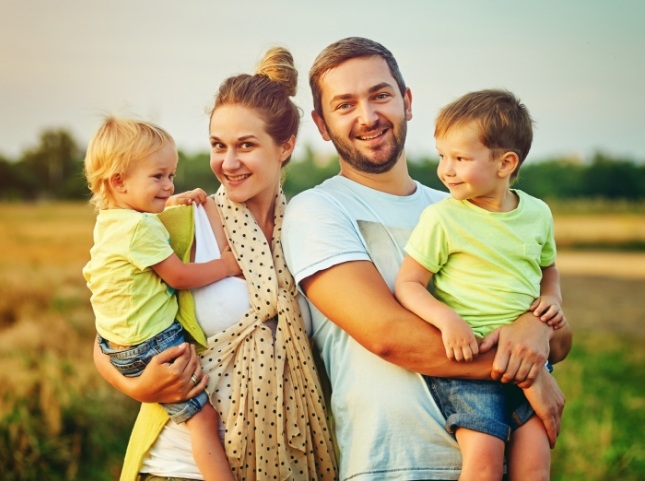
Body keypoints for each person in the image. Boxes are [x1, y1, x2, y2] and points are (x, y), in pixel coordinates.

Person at [282, 37, 572, 481]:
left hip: (502, 458)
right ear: (322, 125)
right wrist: (529, 371)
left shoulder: (465, 203)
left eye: (380, 95)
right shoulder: (317, 210)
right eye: (345, 105)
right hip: (394, 463)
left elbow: (561, 339)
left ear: (407, 101)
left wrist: (534, 326)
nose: (368, 116)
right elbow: (389, 336)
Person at [93, 47, 338, 481]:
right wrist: (135, 386)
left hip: (291, 462)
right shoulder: (174, 224)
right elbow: (111, 325)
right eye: (217, 146)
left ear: (285, 147)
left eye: (246, 145)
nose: (228, 163)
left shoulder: (311, 229)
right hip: (180, 466)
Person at [394, 89, 566, 481]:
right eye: (442, 156)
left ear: (505, 163)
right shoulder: (443, 219)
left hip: (530, 362)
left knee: (535, 466)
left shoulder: (537, 213)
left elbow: (549, 267)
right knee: (484, 465)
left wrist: (552, 300)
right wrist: (447, 320)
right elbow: (408, 284)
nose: (446, 170)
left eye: (461, 158)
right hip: (469, 367)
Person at [83, 117, 237, 481]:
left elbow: (144, 231)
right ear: (119, 181)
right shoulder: (140, 228)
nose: (169, 186)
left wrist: (169, 204)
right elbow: (180, 277)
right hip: (154, 344)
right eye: (158, 177)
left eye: (171, 176)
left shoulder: (112, 220)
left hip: (117, 344)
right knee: (203, 421)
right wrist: (226, 265)